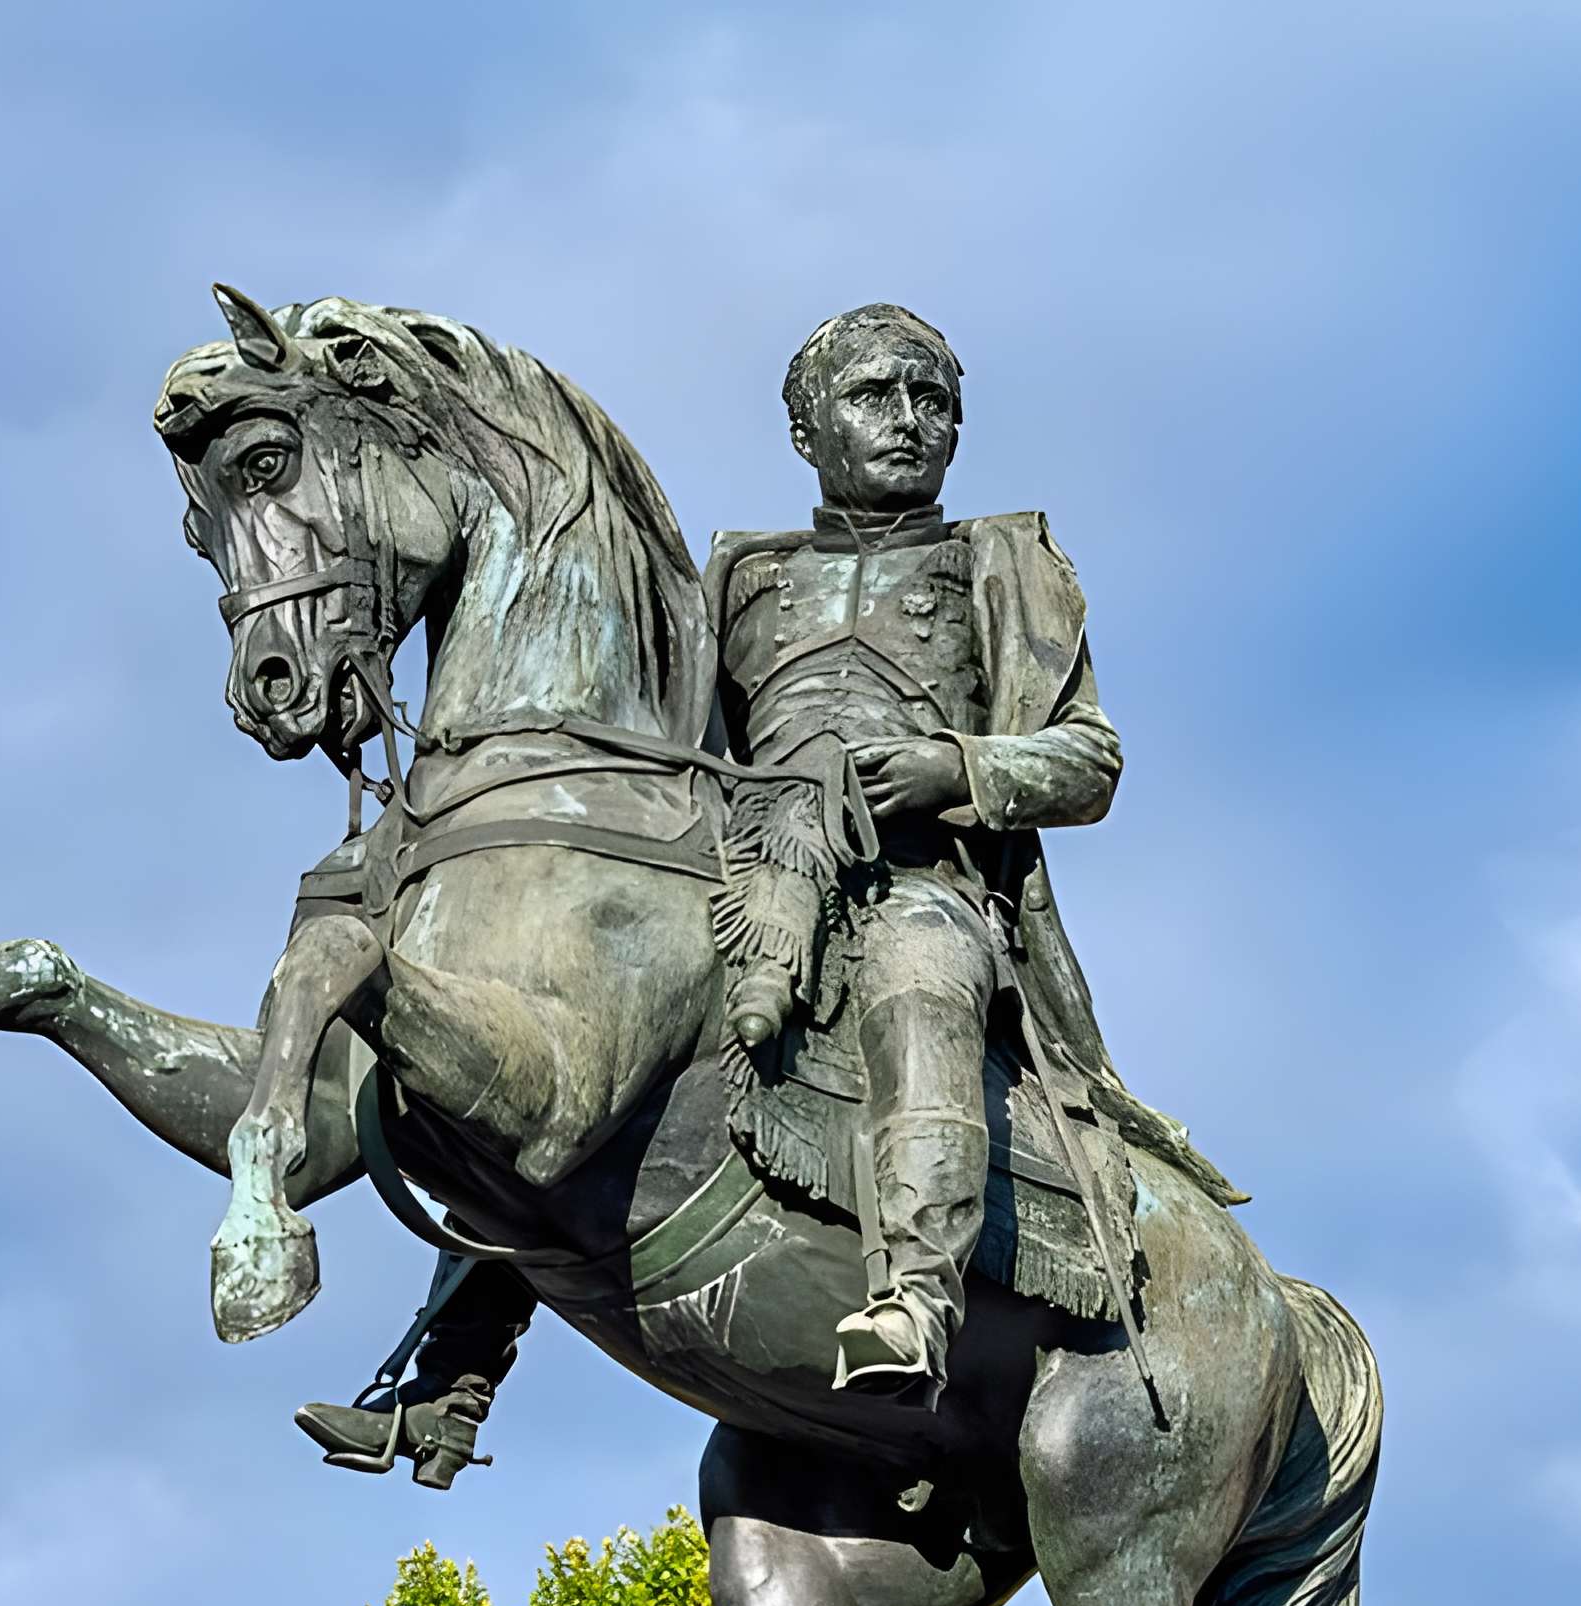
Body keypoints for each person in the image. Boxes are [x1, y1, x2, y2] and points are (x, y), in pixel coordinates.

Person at [299, 303, 1227, 1467]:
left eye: (933, 401)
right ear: (807, 428)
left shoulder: (1000, 561)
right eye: (877, 396)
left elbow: (1088, 757)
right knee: (565, 1037)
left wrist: (958, 766)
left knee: (922, 974)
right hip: (745, 876)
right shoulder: (738, 574)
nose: (910, 422)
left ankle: (917, 1296)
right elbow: (680, 735)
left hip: (911, 877)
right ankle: (452, 1379)